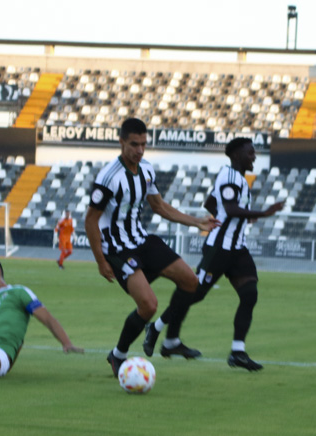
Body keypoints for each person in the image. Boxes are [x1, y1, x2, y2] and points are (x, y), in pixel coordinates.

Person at [85, 118, 219, 377]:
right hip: (118, 249)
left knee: (191, 282)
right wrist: (101, 261)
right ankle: (118, 355)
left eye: (144, 144)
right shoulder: (108, 177)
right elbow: (90, 220)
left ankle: (163, 335)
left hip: (142, 239)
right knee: (148, 305)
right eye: (134, 144)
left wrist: (197, 221)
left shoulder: (146, 170)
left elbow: (159, 206)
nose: (140, 150)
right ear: (121, 142)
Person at [143, 137, 282, 371]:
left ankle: (237, 352)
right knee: (194, 293)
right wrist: (263, 212)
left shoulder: (236, 178)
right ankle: (156, 329)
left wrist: (238, 216)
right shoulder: (229, 177)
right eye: (250, 153)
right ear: (237, 156)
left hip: (238, 249)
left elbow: (211, 203)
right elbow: (228, 208)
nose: (254, 157)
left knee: (249, 295)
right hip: (220, 248)